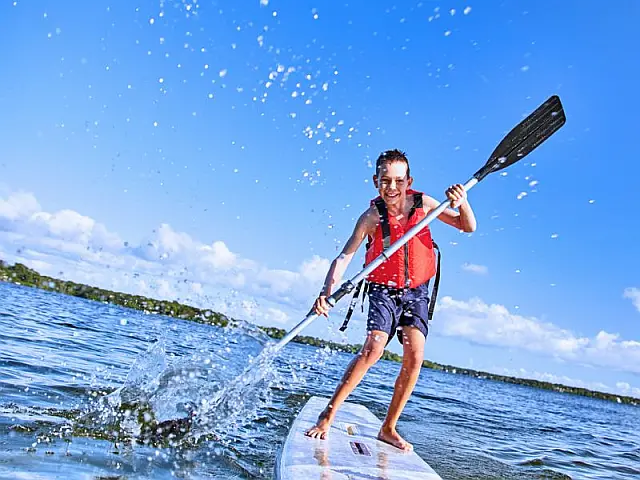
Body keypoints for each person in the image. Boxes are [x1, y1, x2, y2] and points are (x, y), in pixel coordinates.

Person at [304, 149, 477, 451]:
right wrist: (325, 292)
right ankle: (328, 414)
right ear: (376, 182)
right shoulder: (370, 217)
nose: (392, 187)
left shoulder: (425, 204)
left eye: (399, 181)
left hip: (416, 291)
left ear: (409, 181)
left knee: (415, 356)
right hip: (383, 290)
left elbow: (467, 226)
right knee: (373, 348)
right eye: (385, 181)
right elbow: (344, 257)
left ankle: (388, 428)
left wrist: (462, 202)